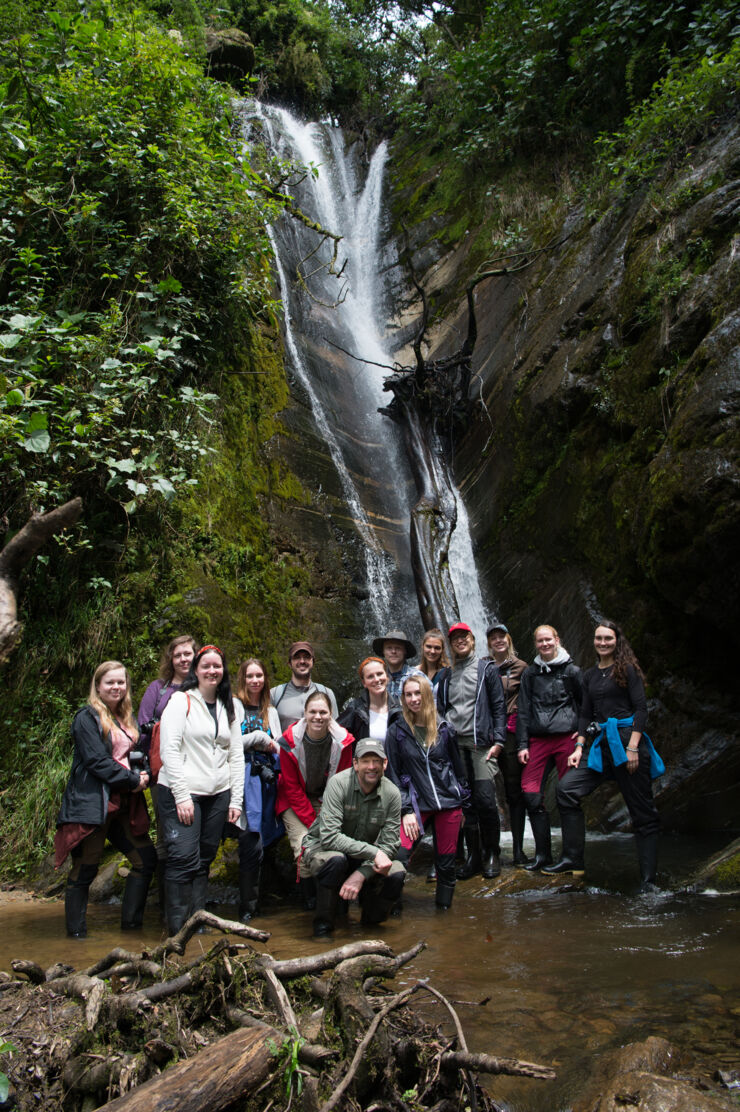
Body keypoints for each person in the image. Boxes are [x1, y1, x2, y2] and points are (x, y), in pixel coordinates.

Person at [544, 621, 664, 891]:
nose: (603, 642)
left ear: (616, 641)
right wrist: (578, 747)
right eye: (598, 638)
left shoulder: (627, 670)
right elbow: (586, 714)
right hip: (599, 747)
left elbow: (641, 710)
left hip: (626, 744)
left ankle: (648, 881)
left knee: (643, 814)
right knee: (566, 790)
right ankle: (573, 860)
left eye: (608, 638)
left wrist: (633, 747)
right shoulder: (589, 675)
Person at [55, 661, 156, 938]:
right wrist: (134, 781)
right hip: (94, 804)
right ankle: (76, 937)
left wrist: (142, 771)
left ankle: (131, 930)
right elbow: (97, 762)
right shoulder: (86, 718)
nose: (116, 687)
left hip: (123, 805)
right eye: (110, 682)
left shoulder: (125, 716)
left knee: (145, 860)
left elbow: (128, 755)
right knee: (85, 867)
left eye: (121, 682)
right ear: (98, 686)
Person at [157, 644, 244, 933]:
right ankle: (176, 929)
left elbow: (236, 754)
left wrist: (236, 800)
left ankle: (198, 920)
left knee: (205, 857)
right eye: (205, 665)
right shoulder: (181, 701)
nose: (212, 671)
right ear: (196, 670)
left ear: (224, 670)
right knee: (183, 857)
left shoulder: (227, 705)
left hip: (218, 792)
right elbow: (168, 750)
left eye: (217, 666)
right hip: (184, 791)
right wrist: (181, 795)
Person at [302, 738, 405, 937]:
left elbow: (390, 844)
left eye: (377, 761)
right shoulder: (338, 784)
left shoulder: (392, 793)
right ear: (355, 763)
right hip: (324, 849)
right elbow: (330, 838)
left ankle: (372, 925)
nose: (371, 767)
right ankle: (323, 927)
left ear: (385, 764)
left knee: (397, 873)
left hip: (361, 855)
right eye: (366, 761)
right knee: (336, 861)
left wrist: (361, 874)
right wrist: (374, 852)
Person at [385, 675, 468, 909]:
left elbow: (458, 769)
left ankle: (444, 916)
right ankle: (392, 910)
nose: (413, 699)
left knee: (446, 862)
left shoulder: (444, 728)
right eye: (408, 694)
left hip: (448, 805)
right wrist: (406, 810)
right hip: (417, 806)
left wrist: (463, 802)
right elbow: (392, 773)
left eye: (417, 693)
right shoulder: (397, 731)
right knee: (400, 856)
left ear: (427, 695)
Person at [436, 622, 507, 879]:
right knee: (467, 804)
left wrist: (499, 741)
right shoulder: (446, 675)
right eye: (455, 638)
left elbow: (499, 706)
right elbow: (442, 710)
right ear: (451, 643)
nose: (460, 641)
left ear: (472, 639)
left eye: (464, 637)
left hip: (481, 745)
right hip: (456, 746)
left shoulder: (487, 669)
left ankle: (492, 853)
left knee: (486, 800)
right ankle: (473, 856)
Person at [275, 690, 354, 909]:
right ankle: (310, 902)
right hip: (294, 800)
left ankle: (334, 900)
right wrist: (314, 823)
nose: (317, 717)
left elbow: (342, 781)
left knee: (339, 843)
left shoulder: (343, 742)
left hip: (327, 798)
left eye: (323, 712)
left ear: (331, 715)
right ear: (305, 713)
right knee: (304, 846)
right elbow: (290, 787)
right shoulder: (289, 742)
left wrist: (326, 816)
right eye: (313, 712)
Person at [137, 634, 198, 916]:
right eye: (178, 655)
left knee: (192, 833)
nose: (184, 659)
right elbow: (142, 728)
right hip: (162, 771)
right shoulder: (158, 689)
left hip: (197, 770)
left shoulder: (205, 687)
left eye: (188, 654)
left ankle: (190, 904)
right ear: (170, 660)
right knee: (166, 833)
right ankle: (167, 906)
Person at [515, 624, 582, 872]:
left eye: (548, 640)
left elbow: (585, 705)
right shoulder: (530, 674)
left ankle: (573, 858)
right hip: (538, 739)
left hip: (566, 738)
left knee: (568, 796)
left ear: (557, 640)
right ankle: (543, 855)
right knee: (531, 794)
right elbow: (523, 711)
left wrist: (583, 735)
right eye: (540, 641)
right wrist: (522, 744)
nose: (544, 644)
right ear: (535, 644)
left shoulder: (572, 671)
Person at [231, 658, 283, 922]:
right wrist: (260, 739)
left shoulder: (270, 711)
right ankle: (247, 908)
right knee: (249, 838)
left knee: (264, 838)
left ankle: (260, 902)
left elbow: (279, 745)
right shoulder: (233, 705)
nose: (255, 680)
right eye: (250, 676)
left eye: (259, 675)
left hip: (266, 780)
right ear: (242, 678)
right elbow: (228, 743)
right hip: (241, 779)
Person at [486, 622, 530, 866]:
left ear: (508, 639)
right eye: (493, 638)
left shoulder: (522, 668)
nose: (498, 641)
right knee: (485, 790)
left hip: (512, 733)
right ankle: (489, 849)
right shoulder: (484, 666)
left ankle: (518, 848)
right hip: (489, 732)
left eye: (501, 636)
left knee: (514, 791)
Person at [271, 641, 338, 734]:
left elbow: (336, 731)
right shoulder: (275, 694)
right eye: (297, 657)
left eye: (306, 657)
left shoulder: (327, 693)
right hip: (286, 748)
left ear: (313, 662)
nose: (302, 661)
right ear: (290, 663)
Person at [337, 656, 403, 745]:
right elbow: (336, 735)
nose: (376, 679)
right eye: (370, 676)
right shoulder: (355, 709)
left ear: (387, 676)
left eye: (379, 674)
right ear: (364, 683)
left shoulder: (399, 707)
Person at [372, 629, 418, 700]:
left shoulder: (417, 677)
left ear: (405, 651)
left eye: (398, 648)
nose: (393, 651)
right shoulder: (378, 679)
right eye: (389, 648)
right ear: (383, 651)